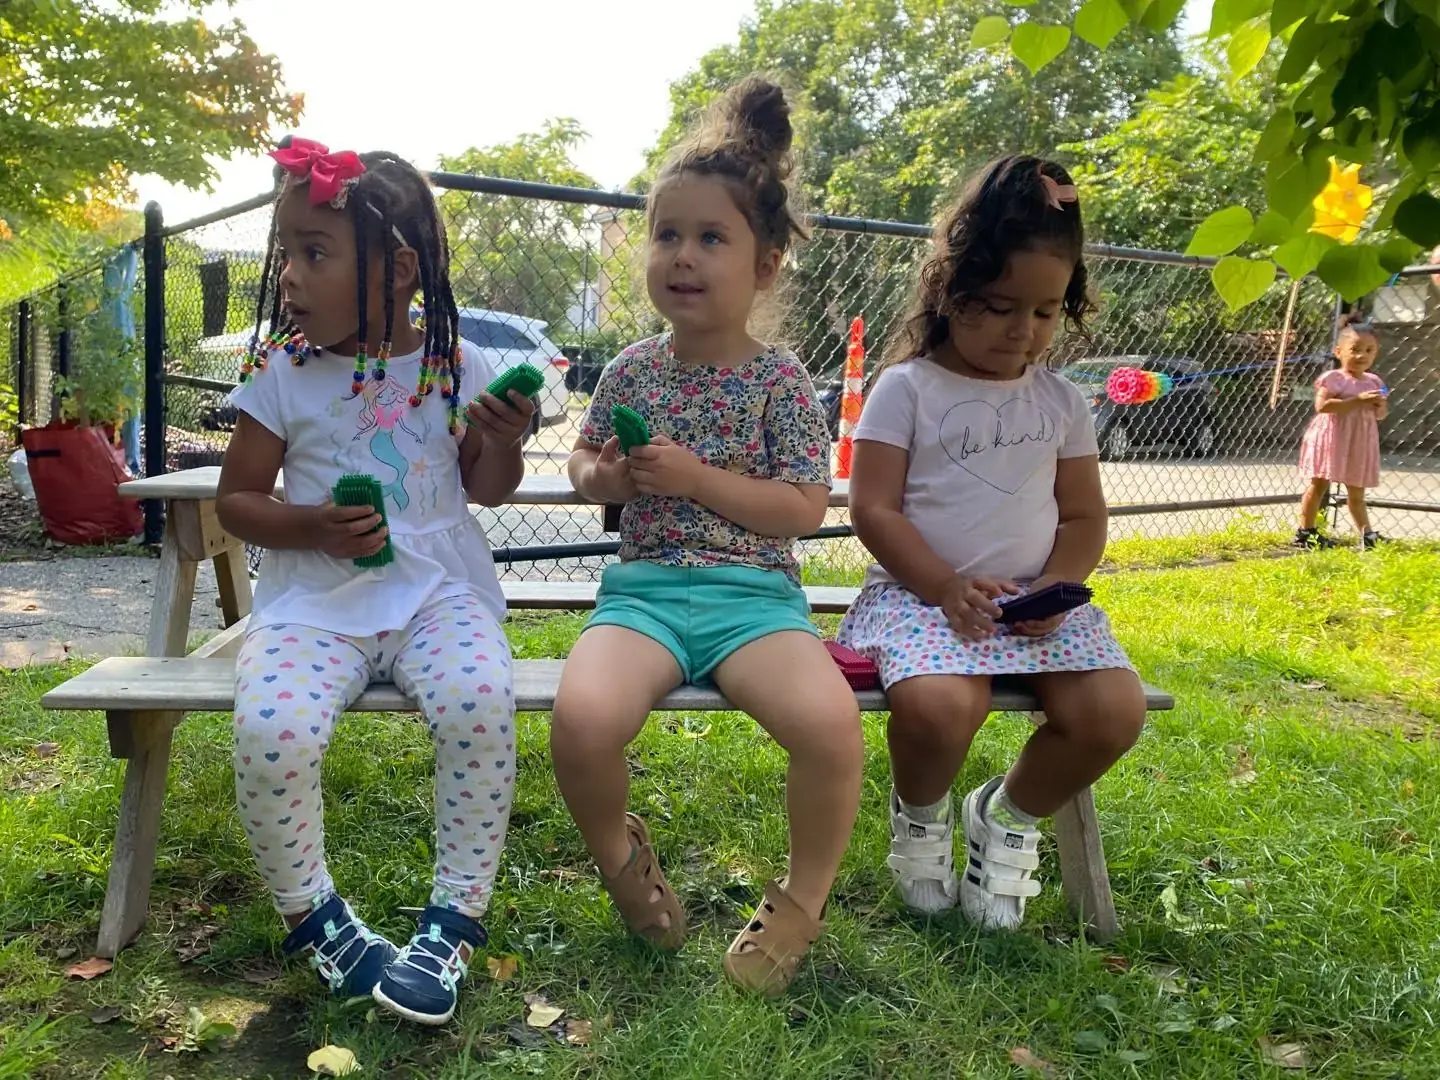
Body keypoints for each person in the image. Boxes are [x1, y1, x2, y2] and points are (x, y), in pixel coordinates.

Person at [550, 77, 863, 995]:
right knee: (584, 721)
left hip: (752, 604)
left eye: (711, 238)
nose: (682, 256)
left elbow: (806, 507)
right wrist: (602, 479)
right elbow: (581, 463)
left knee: (829, 730)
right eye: (667, 235)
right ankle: (620, 856)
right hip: (644, 594)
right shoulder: (633, 370)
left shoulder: (780, 380)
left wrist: (700, 482)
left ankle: (802, 900)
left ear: (765, 265)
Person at [216, 140, 532, 1025]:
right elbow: (238, 502)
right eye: (288, 253)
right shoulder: (280, 373)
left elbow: (485, 489)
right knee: (270, 729)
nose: (289, 278)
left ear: (397, 270)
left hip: (439, 593)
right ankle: (316, 920)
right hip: (315, 604)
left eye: (315, 254)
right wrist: (310, 525)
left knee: (480, 700)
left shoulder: (452, 364)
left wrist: (501, 438)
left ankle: (452, 924)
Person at [838, 155, 1147, 929]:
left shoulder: (1062, 401)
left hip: (1036, 606)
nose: (1024, 331)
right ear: (951, 291)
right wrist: (943, 586)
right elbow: (871, 508)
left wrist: (1057, 589)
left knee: (1114, 712)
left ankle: (1005, 817)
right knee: (942, 706)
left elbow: (1083, 518)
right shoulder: (906, 388)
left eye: (1045, 312)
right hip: (922, 598)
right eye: (1002, 307)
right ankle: (921, 816)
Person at [1294, 313, 1389, 550]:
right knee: (1318, 485)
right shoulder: (1333, 378)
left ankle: (1367, 535)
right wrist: (1357, 400)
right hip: (1332, 438)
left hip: (1359, 440)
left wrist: (1379, 405)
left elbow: (1381, 414)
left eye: (1369, 350)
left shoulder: (1375, 382)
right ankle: (1306, 532)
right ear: (1339, 351)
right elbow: (1322, 406)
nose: (1361, 356)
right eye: (1355, 349)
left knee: (1357, 491)